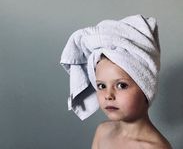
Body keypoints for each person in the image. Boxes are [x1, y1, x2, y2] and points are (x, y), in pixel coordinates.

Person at [59, 15, 172, 149]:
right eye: (101, 85)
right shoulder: (102, 132)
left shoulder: (156, 147)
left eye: (121, 85)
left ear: (146, 88)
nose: (108, 95)